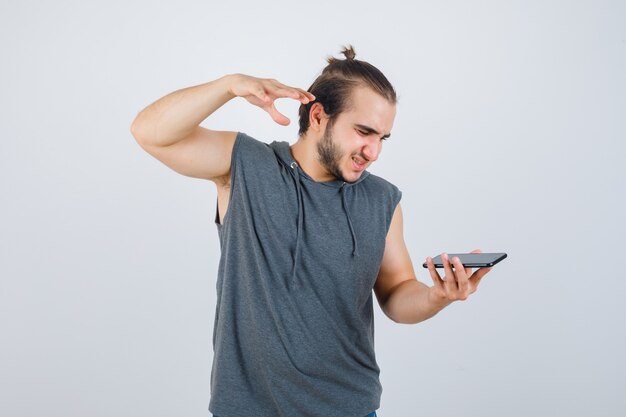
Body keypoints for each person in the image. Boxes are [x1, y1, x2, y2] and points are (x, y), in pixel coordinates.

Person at [130, 45, 492, 417]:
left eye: (382, 138)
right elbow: (150, 133)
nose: (373, 152)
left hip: (350, 408)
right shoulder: (245, 166)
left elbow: (398, 294)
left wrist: (439, 296)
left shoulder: (382, 199)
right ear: (318, 115)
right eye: (364, 132)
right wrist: (228, 85)